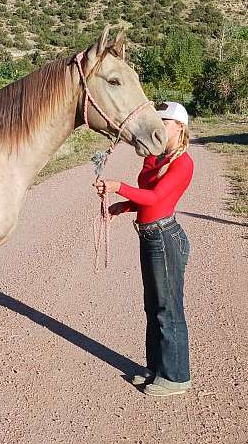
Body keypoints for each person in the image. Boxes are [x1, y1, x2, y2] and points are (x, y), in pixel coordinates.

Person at [93, 101, 194, 397]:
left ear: (180, 127)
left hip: (164, 238)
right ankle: (157, 370)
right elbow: (145, 198)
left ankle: (176, 377)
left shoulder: (183, 162)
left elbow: (157, 197)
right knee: (153, 307)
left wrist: (118, 186)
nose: (158, 125)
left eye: (164, 121)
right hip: (151, 236)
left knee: (168, 308)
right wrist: (123, 206)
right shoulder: (156, 158)